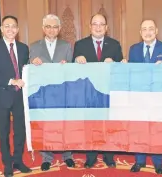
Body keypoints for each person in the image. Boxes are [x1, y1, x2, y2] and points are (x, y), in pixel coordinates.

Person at [73, 14, 123, 168]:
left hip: (108, 93)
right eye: (95, 24)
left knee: (108, 125)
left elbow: (121, 68)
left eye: (102, 24)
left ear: (106, 28)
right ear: (90, 26)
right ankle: (91, 155)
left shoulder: (115, 44)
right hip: (89, 93)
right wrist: (76, 61)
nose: (98, 27)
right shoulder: (80, 45)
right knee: (91, 125)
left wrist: (114, 63)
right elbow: (71, 70)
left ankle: (109, 156)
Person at [125, 19, 162, 175]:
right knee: (139, 129)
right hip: (139, 97)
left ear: (156, 31)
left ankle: (158, 162)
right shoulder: (133, 49)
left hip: (158, 97)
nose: (147, 32)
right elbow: (130, 73)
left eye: (151, 29)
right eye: (144, 29)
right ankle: (139, 161)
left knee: (157, 129)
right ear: (140, 32)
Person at [0, 15, 32, 177]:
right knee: (3, 132)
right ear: (1, 29)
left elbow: (27, 70)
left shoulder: (24, 48)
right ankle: (7, 164)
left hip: (20, 97)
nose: (10, 29)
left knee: (20, 131)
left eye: (13, 26)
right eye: (7, 26)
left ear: (18, 30)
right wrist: (11, 81)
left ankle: (18, 159)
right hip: (2, 96)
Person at [28, 14, 76, 171]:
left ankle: (67, 155)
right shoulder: (34, 47)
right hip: (43, 94)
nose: (51, 30)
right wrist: (32, 63)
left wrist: (67, 65)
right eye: (48, 26)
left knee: (64, 124)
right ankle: (46, 157)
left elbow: (72, 70)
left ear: (59, 29)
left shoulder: (66, 46)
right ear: (43, 29)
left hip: (62, 93)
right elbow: (28, 70)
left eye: (55, 26)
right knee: (46, 125)